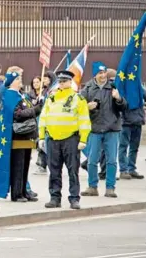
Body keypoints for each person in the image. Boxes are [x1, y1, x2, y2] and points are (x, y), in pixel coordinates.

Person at [39, 71, 91, 210]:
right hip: (53, 139)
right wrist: (42, 136)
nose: (61, 84)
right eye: (60, 81)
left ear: (70, 82)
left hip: (71, 139)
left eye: (64, 81)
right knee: (54, 170)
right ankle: (55, 198)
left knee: (73, 170)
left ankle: (74, 198)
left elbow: (84, 120)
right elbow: (43, 118)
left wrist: (83, 139)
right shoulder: (52, 98)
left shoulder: (77, 98)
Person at [80, 62, 126, 198]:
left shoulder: (113, 86)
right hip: (95, 129)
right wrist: (86, 107)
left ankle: (110, 188)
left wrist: (118, 99)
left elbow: (124, 106)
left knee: (111, 160)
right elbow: (79, 107)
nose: (102, 75)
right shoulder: (87, 88)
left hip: (112, 129)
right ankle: (92, 186)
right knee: (92, 160)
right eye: (100, 73)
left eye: (104, 72)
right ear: (95, 74)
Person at [1, 71, 40, 202]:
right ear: (11, 82)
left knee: (25, 165)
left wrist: (37, 105)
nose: (20, 80)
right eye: (17, 79)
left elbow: (28, 110)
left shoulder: (20, 95)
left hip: (27, 135)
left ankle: (24, 191)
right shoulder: (10, 95)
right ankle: (16, 194)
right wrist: (35, 110)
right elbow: (18, 114)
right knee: (18, 165)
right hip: (18, 136)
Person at [119, 87, 145, 180]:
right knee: (123, 146)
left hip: (137, 121)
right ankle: (123, 170)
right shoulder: (121, 85)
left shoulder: (138, 86)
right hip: (125, 122)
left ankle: (131, 169)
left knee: (134, 147)